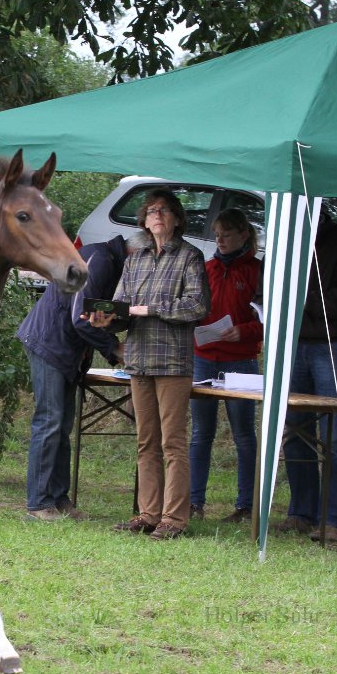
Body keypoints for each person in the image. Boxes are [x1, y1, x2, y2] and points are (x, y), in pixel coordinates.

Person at [89, 190, 210, 541]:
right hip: (138, 360)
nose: (157, 216)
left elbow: (196, 306)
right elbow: (122, 308)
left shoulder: (191, 256)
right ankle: (148, 513)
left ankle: (174, 518)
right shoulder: (135, 258)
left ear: (176, 219)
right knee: (146, 441)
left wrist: (149, 308)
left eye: (165, 211)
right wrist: (106, 320)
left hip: (172, 361)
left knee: (172, 442)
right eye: (152, 211)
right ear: (144, 219)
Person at [17, 235, 127, 521]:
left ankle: (58, 498)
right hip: (49, 345)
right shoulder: (102, 260)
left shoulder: (108, 260)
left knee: (62, 424)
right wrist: (114, 348)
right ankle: (38, 503)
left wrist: (124, 322)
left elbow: (95, 312)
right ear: (134, 251)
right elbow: (82, 316)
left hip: (65, 351)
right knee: (50, 421)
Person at [274, 211, 337, 543]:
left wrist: (304, 299)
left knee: (334, 434)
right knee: (295, 431)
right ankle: (301, 512)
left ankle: (333, 518)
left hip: (331, 346)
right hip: (294, 344)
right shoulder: (286, 241)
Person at [188, 209, 263, 524]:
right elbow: (194, 308)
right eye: (217, 234)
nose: (220, 240)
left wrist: (243, 331)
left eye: (227, 234)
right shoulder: (207, 268)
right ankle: (194, 504)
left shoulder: (258, 271)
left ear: (243, 235)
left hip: (241, 361)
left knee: (244, 434)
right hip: (203, 357)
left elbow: (269, 318)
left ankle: (246, 506)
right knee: (200, 432)